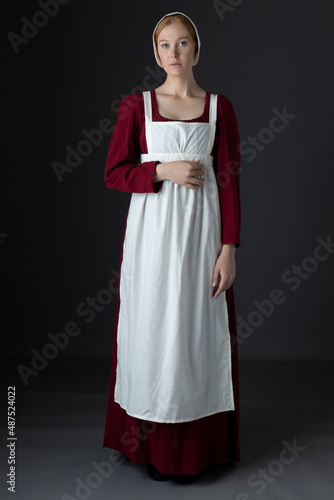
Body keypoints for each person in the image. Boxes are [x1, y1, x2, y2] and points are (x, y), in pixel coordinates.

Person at [102, 11, 241, 484]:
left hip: (203, 240)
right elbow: (113, 173)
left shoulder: (220, 108)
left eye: (183, 44)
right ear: (155, 51)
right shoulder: (135, 106)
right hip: (153, 243)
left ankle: (197, 451)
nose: (174, 54)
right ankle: (152, 449)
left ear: (196, 49)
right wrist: (162, 171)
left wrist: (229, 249)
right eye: (165, 45)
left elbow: (230, 184)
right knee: (154, 333)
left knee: (195, 336)